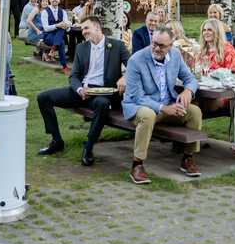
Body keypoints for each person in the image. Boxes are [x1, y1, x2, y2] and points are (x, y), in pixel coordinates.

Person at [37, 16, 130, 165]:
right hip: (82, 91)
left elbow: (133, 66)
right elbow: (74, 75)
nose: (83, 32)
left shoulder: (117, 45)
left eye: (86, 28)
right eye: (82, 29)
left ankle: (89, 147)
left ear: (97, 28)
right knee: (43, 97)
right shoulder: (82, 47)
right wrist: (79, 89)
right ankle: (56, 140)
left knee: (102, 105)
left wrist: (125, 77)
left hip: (103, 92)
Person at [123, 26, 202, 184]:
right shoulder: (136, 60)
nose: (156, 48)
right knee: (147, 115)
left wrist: (188, 91)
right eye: (154, 43)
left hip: (168, 105)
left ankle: (187, 158)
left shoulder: (175, 55)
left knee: (194, 111)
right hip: (140, 106)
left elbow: (191, 79)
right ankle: (137, 164)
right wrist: (164, 108)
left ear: (171, 45)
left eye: (162, 45)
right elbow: (137, 96)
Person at [40, 0, 70, 73]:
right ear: (50, 0)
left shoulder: (63, 12)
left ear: (59, 1)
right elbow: (45, 28)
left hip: (58, 36)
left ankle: (53, 49)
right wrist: (57, 25)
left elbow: (68, 24)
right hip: (48, 36)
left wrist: (67, 26)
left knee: (62, 31)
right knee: (62, 41)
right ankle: (64, 66)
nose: (55, 0)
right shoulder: (45, 12)